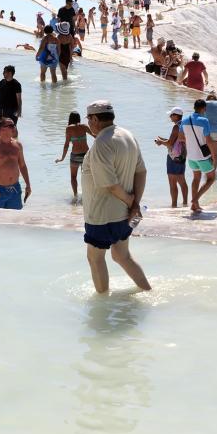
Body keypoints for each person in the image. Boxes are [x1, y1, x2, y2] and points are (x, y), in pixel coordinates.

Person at [82, 100, 151, 292]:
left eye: (89, 119)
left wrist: (133, 205)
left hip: (102, 216)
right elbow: (141, 172)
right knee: (122, 256)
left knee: (95, 258)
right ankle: (147, 290)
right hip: (126, 215)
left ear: (95, 119)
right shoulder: (128, 136)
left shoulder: (101, 144)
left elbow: (111, 186)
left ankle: (102, 307)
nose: (88, 123)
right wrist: (135, 204)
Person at [0, 116, 32, 209]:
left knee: (15, 220)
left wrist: (28, 185)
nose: (14, 127)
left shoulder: (18, 145)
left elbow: (22, 166)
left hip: (15, 188)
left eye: (13, 125)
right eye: (11, 125)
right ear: (2, 128)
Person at [181, 99, 216, 214]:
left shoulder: (185, 120)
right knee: (211, 178)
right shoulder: (204, 121)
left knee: (196, 178)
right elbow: (209, 140)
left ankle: (195, 206)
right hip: (202, 156)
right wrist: (214, 155)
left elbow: (181, 138)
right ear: (203, 109)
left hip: (190, 156)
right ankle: (195, 199)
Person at [154, 106, 189, 208]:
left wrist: (160, 142)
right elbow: (175, 141)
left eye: (171, 115)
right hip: (182, 155)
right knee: (182, 180)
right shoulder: (184, 125)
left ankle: (174, 206)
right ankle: (185, 203)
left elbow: (170, 144)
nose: (170, 117)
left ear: (176, 116)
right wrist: (163, 139)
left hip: (173, 157)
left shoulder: (176, 127)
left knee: (172, 182)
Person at [56, 111, 93, 200]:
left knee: (73, 177)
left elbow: (66, 145)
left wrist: (62, 158)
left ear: (70, 119)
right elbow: (96, 136)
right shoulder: (84, 126)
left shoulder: (69, 128)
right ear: (79, 118)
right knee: (86, 176)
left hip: (75, 155)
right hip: (86, 155)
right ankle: (88, 196)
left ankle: (76, 196)